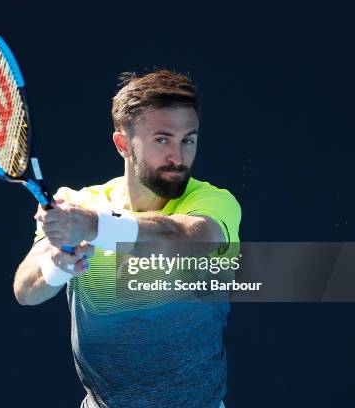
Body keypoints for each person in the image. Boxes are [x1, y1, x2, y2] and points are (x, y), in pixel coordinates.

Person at [13, 69, 241, 408]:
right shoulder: (78, 204)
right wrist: (58, 264)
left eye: (187, 140)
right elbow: (26, 291)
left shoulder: (214, 203)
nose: (178, 158)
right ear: (123, 144)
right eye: (162, 140)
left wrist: (95, 226)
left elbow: (186, 238)